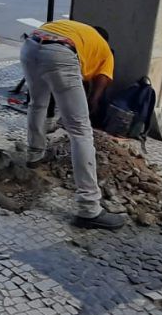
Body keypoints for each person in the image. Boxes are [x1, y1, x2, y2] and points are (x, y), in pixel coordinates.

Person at [19, 19, 125, 231]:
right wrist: (93, 101)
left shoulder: (77, 29)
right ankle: (89, 209)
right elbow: (103, 79)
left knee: (38, 103)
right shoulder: (105, 51)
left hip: (31, 45)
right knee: (80, 131)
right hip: (61, 54)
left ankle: (34, 154)